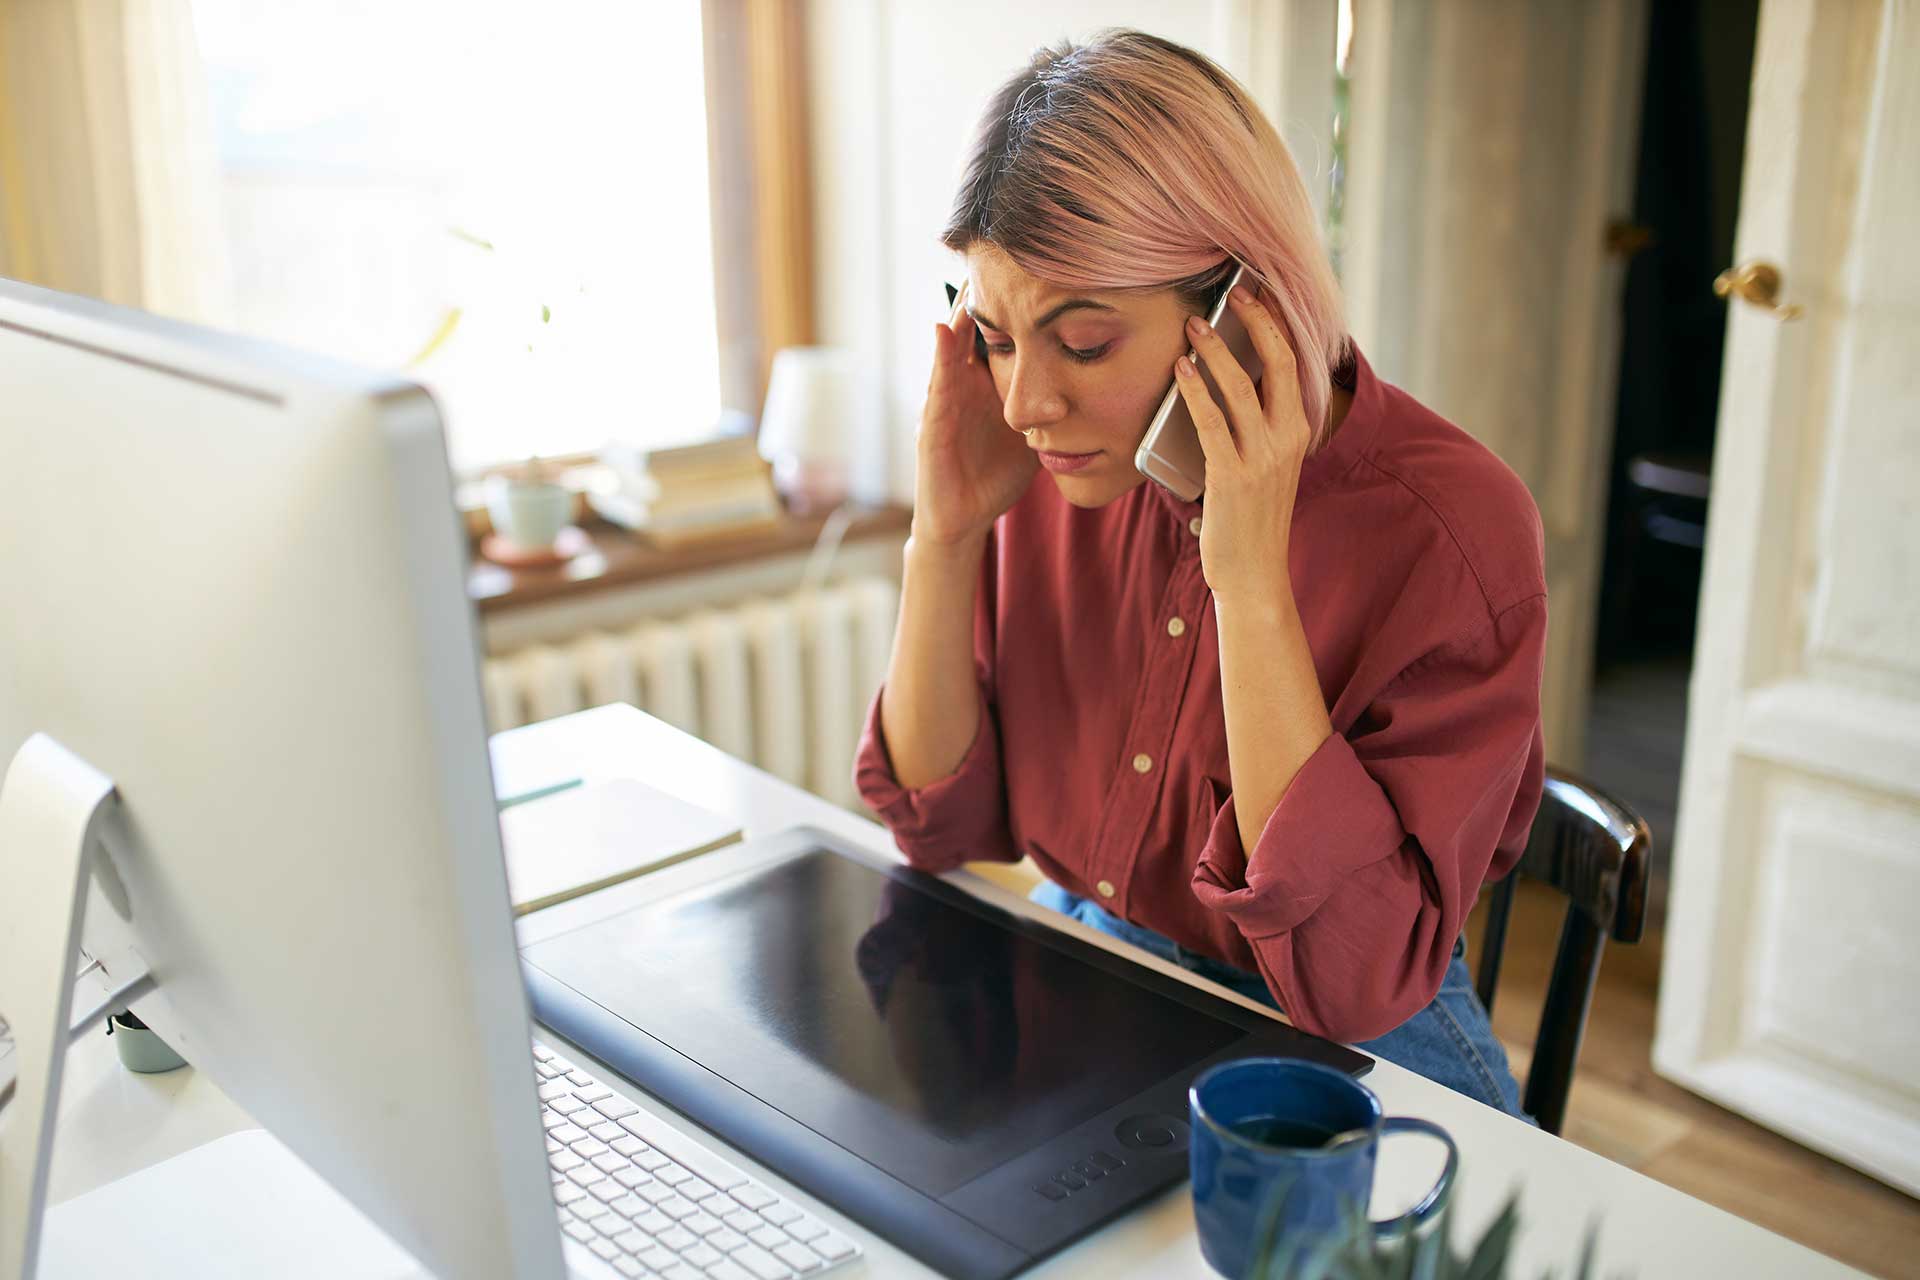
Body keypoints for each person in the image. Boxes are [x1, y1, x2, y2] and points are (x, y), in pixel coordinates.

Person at [852, 29, 1545, 1119]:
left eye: (1083, 343)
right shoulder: (1049, 460)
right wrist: (942, 536)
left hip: (1360, 1045)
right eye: (992, 335)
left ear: (1244, 307)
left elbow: (1350, 983)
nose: (1028, 401)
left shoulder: (1452, 528)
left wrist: (1250, 582)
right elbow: (934, 827)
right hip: (1103, 976)